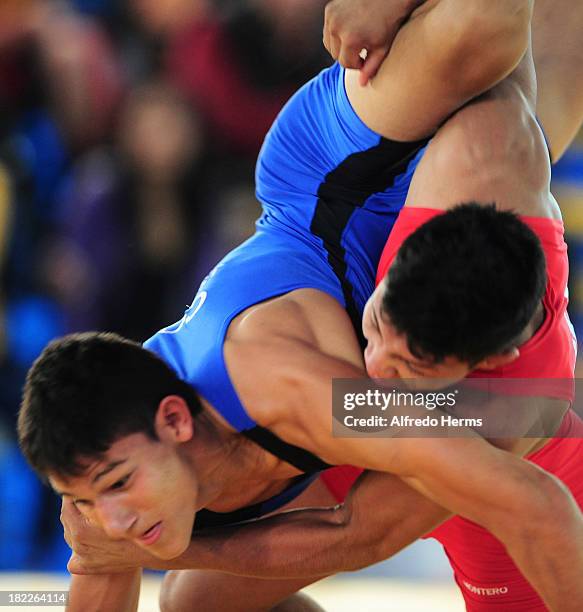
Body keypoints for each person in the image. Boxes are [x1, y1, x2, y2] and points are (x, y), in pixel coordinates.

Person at [17, 1, 583, 611]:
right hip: (403, 369)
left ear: (176, 421)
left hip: (339, 199)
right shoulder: (105, 474)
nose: (111, 520)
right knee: (195, 605)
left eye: (116, 488)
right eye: (85, 501)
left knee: (488, 84)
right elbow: (351, 529)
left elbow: (373, 529)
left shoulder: (299, 389)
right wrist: (132, 548)